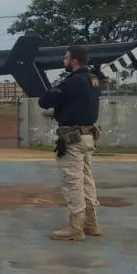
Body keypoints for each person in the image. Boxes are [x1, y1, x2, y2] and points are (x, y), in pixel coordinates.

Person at [38, 44, 103, 241]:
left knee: (72, 182)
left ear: (74, 61)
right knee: (87, 180)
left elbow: (44, 101)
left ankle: (76, 228)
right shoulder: (93, 79)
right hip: (88, 135)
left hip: (72, 139)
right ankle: (92, 224)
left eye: (66, 58)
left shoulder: (73, 81)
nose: (63, 61)